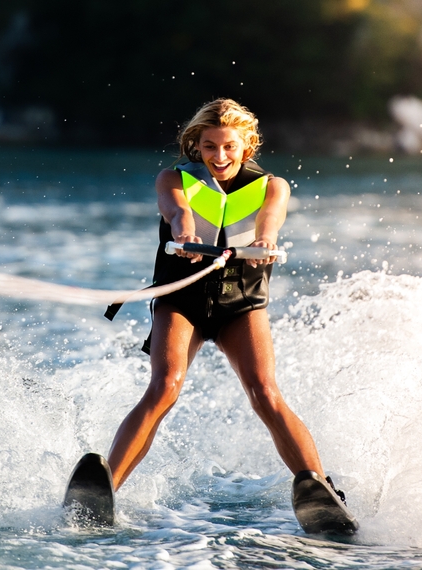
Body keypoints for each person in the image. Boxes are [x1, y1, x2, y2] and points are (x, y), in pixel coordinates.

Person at [105, 98, 336, 499]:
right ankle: (103, 488)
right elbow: (177, 211)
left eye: (229, 146)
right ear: (197, 146)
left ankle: (323, 491)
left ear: (247, 146)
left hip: (241, 304)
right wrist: (185, 233)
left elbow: (271, 218)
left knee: (264, 393)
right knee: (164, 386)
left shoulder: (273, 186)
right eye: (209, 146)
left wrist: (266, 240)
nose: (220, 155)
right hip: (182, 301)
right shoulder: (173, 179)